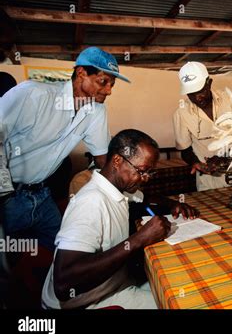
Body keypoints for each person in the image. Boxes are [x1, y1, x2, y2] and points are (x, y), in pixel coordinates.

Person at [42, 129, 199, 309]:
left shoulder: (116, 188)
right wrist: (140, 239)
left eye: (149, 173)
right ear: (117, 161)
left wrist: (171, 204)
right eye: (142, 171)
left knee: (180, 285)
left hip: (114, 283)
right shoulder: (91, 202)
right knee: (184, 303)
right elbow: (64, 284)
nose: (145, 178)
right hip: (86, 302)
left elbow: (145, 198)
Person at [0, 46, 129, 251]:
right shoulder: (32, 95)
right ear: (81, 73)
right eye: (103, 82)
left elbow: (102, 158)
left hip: (42, 194)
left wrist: (129, 181)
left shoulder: (96, 111)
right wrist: (5, 195)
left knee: (67, 252)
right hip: (8, 196)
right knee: (6, 264)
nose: (108, 91)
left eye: (112, 84)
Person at [173, 61, 232, 191]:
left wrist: (224, 158)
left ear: (209, 83)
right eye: (191, 94)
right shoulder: (181, 113)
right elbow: (185, 150)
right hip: (208, 182)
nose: (197, 98)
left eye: (200, 91)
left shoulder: (229, 101)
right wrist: (195, 163)